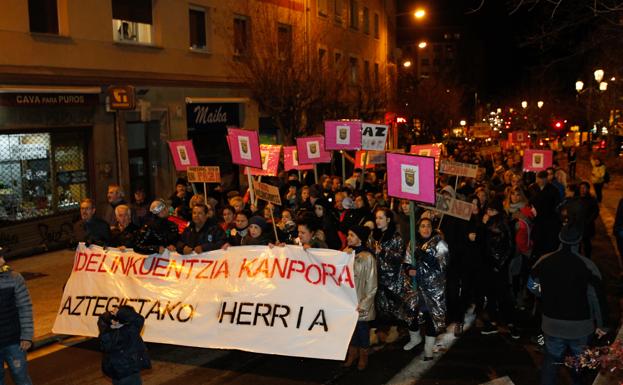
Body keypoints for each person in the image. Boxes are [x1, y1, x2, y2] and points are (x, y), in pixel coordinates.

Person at [530, 224, 608, 385]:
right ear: (579, 241)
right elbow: (597, 298)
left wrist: (543, 292)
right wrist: (602, 325)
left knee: (551, 363)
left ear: (560, 238)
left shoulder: (544, 261)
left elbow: (531, 285)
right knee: (578, 366)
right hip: (580, 327)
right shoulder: (588, 266)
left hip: (551, 324)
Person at [406, 217, 449, 360]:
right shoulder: (413, 242)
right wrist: (408, 269)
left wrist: (425, 256)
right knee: (412, 314)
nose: (426, 229)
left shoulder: (439, 243)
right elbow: (406, 260)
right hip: (416, 286)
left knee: (431, 317)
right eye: (422, 226)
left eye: (428, 226)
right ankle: (415, 338)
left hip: (434, 288)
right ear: (418, 229)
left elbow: (442, 264)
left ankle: (428, 348)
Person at [371, 207, 413, 348]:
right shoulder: (375, 236)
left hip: (392, 279)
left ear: (388, 220)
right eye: (376, 218)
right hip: (378, 276)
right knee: (380, 305)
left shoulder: (396, 237)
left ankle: (396, 329)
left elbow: (400, 257)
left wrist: (384, 252)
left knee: (393, 305)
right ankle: (381, 330)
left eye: (381, 218)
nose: (378, 221)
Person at [342, 226, 377, 370]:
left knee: (362, 329)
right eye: (348, 235)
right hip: (348, 300)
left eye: (352, 235)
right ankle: (352, 353)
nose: (348, 237)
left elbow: (372, 283)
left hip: (360, 301)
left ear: (360, 238)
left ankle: (363, 355)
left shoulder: (368, 257)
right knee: (350, 329)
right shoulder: (345, 254)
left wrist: (364, 303)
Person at [0, 248, 34, 385]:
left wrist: (27, 335)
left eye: (1, 256)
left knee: (21, 377)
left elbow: (25, 307)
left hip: (14, 342)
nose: (3, 261)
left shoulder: (14, 278)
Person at [98, 305, 151, 385]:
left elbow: (102, 320)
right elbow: (138, 319)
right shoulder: (129, 330)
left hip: (116, 373)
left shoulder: (106, 331)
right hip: (129, 372)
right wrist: (120, 312)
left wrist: (110, 315)